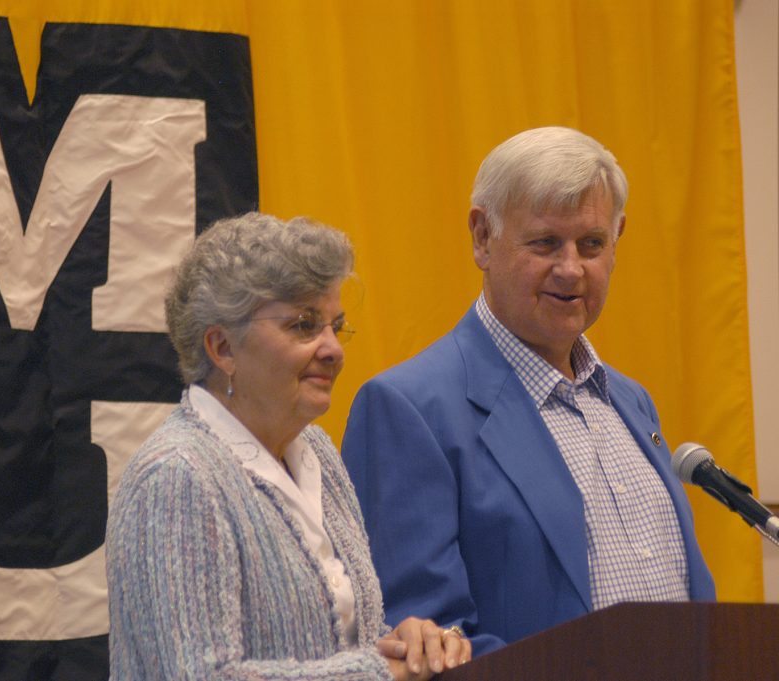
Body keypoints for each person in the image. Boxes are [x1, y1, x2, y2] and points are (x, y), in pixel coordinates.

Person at [342, 127, 716, 656]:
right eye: (545, 243)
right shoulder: (408, 409)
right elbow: (426, 640)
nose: (571, 269)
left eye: (592, 244)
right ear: (481, 237)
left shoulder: (632, 402)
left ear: (618, 240)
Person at [106, 212, 471, 680]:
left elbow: (340, 644)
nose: (334, 349)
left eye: (335, 326)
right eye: (304, 325)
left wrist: (409, 644)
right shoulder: (177, 476)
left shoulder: (316, 449)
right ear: (223, 348)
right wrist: (377, 673)